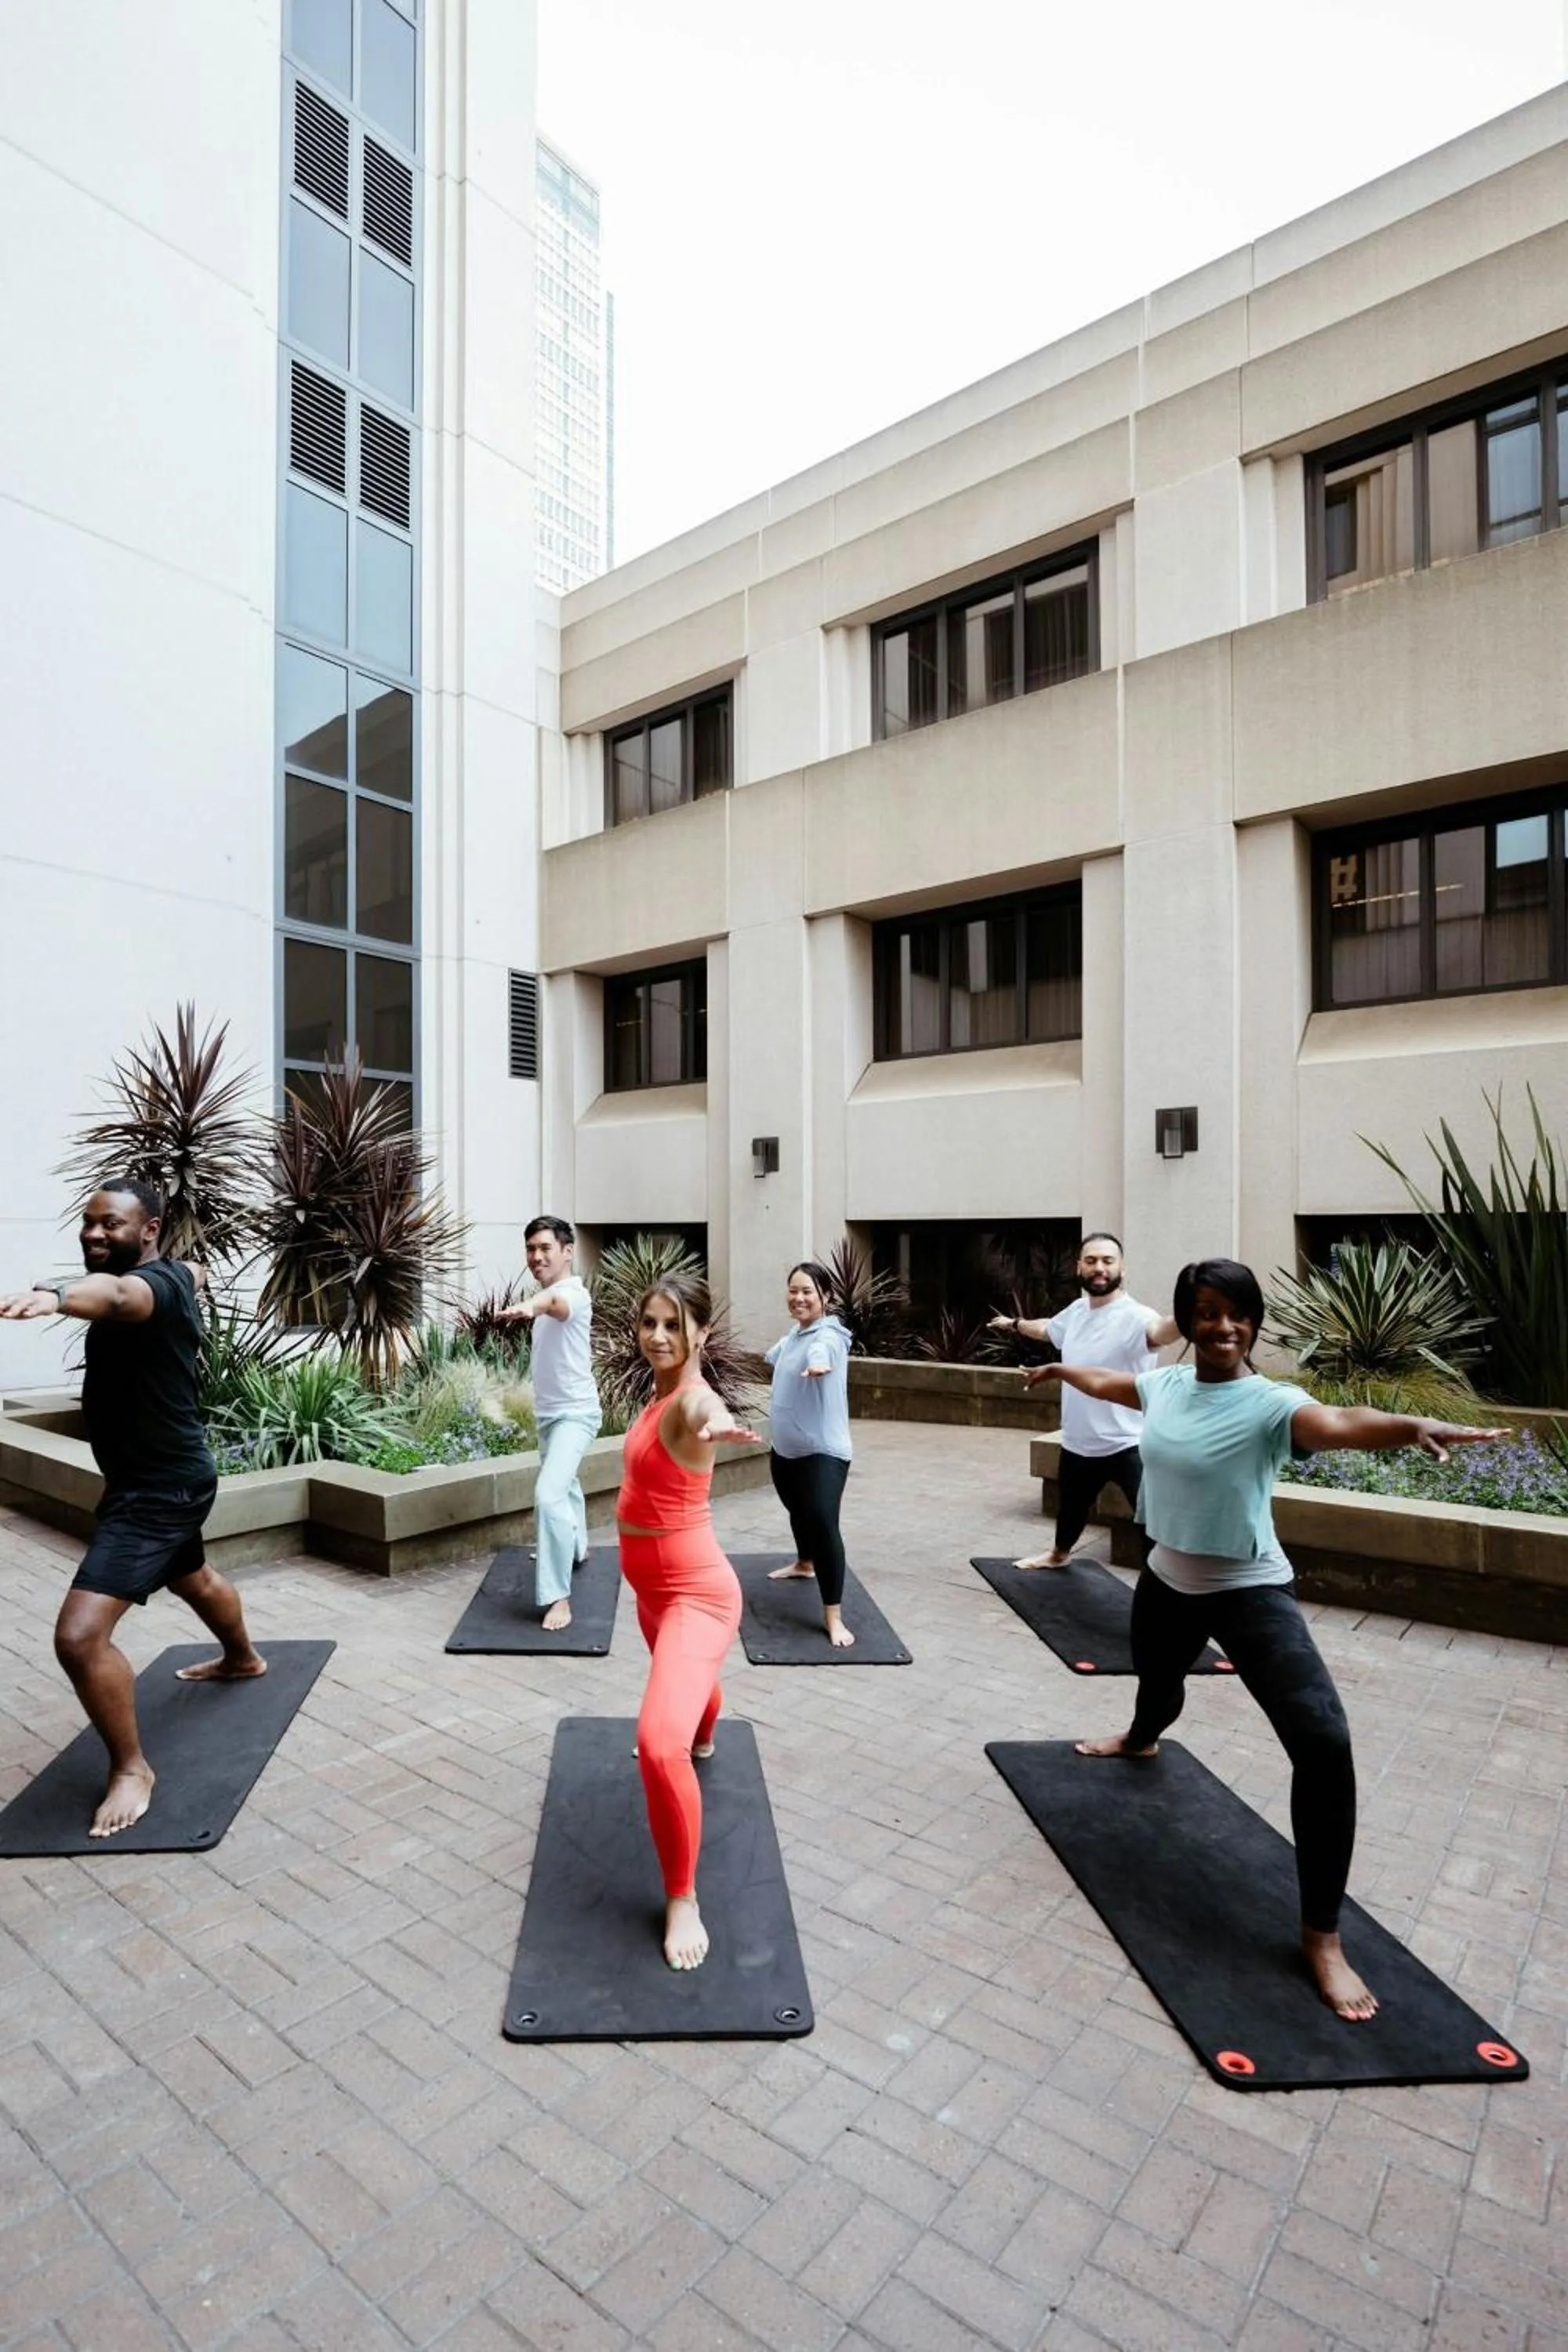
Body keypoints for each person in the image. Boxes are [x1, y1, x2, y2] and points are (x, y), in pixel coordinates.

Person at [1025, 1254, 1506, 2020]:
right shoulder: (1165, 1385)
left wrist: (1406, 1426)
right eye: (1205, 1312)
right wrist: (1062, 1374)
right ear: (1185, 1323)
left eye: (1234, 1311)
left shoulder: (1271, 1404)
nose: (1221, 1326)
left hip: (1247, 1590)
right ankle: (1140, 1738)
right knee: (1155, 1677)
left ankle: (1321, 1935)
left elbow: (1338, 1424)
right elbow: (1111, 1384)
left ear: (1251, 1320)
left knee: (1321, 1739)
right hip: (1164, 1581)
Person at [0, 1181, 267, 1838]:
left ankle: (130, 1770)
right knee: (191, 1575)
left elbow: (121, 1297)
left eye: (111, 1225)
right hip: (155, 1480)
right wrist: (193, 1270)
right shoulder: (178, 1273)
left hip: (159, 1491)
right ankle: (243, 1659)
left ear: (148, 1230)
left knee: (79, 1638)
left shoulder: (146, 1289)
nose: (94, 1235)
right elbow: (193, 1271)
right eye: (88, 1224)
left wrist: (56, 1296)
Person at [615, 1271, 759, 1970]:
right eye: (649, 1322)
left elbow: (705, 1412)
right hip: (651, 1592)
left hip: (695, 1595)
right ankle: (704, 1733)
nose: (658, 1336)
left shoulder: (691, 1398)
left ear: (702, 1331)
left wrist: (715, 1423)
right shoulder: (658, 1391)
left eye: (674, 1324)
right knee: (690, 1696)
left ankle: (682, 1897)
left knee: (655, 1743)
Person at [992, 1232, 1177, 1571]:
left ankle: (1170, 1585)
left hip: (1130, 1443)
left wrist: (1193, 1314)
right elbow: (1048, 1329)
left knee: (1153, 1521)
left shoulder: (1137, 1317)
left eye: (1108, 1261)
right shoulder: (1077, 1312)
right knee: (1071, 1510)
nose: (1099, 1268)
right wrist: (1015, 1324)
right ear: (1079, 1267)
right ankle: (1059, 1555)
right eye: (1091, 1261)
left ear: (1123, 1268)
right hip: (1079, 1441)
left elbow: (1162, 1331)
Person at [496, 1215, 601, 1632]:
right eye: (531, 1249)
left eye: (545, 1248)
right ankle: (576, 1547)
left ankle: (558, 1596)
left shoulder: (573, 1294)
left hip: (576, 1414)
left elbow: (555, 1305)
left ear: (567, 1252)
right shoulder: (549, 1294)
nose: (536, 1256)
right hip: (550, 1414)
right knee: (566, 1484)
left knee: (549, 1494)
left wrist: (531, 1305)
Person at [763, 1261, 856, 1647]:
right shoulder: (795, 1335)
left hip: (822, 1453)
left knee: (821, 1522)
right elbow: (776, 1356)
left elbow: (825, 1350)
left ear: (826, 1298)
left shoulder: (829, 1335)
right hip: (785, 1450)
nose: (799, 1298)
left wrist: (819, 1365)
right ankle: (804, 1563)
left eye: (807, 1292)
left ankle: (833, 1616)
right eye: (793, 1291)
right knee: (797, 1510)